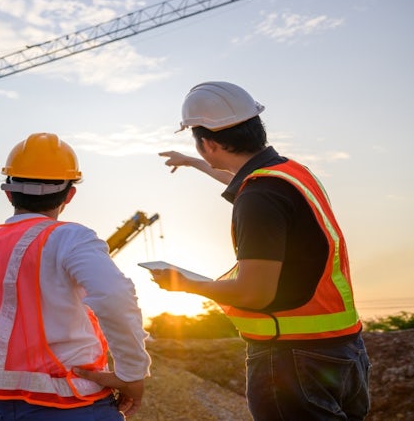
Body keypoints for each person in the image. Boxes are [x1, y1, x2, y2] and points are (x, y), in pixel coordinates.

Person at [155, 81, 371, 420]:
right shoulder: (288, 173)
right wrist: (192, 162)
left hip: (292, 360)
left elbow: (254, 293)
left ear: (207, 143)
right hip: (342, 349)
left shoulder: (258, 197)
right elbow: (241, 179)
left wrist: (183, 284)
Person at [0, 132, 151, 420]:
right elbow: (115, 296)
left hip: (7, 411)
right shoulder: (70, 237)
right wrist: (131, 373)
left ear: (7, 192)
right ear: (70, 194)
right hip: (77, 406)